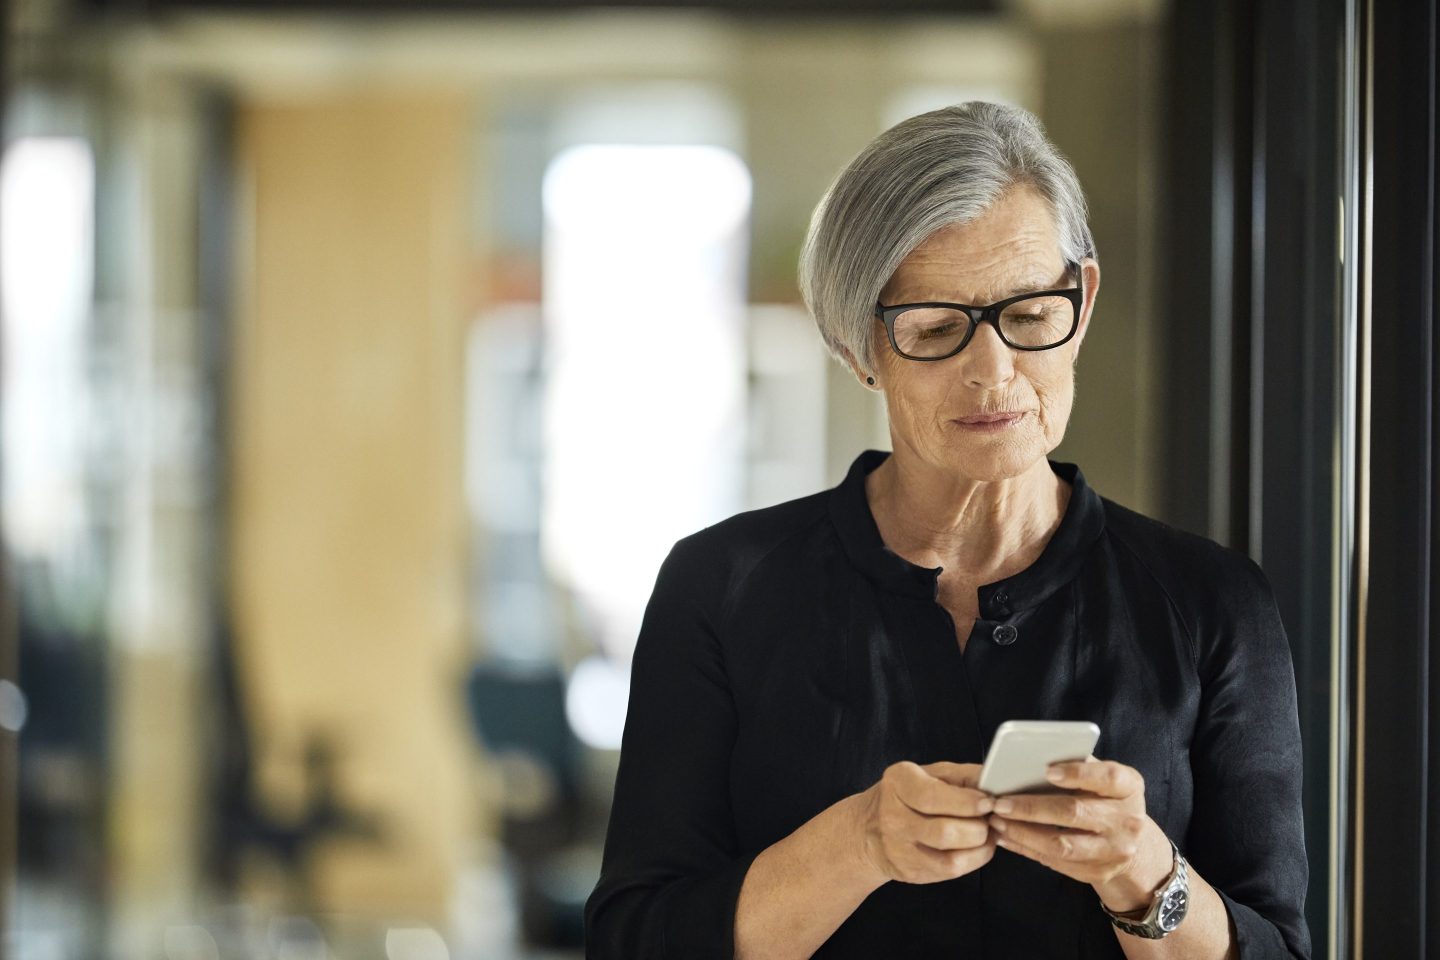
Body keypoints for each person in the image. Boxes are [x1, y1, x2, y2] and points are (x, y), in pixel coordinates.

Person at [583, 101, 1310, 959]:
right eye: (935, 330)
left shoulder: (1211, 604)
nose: (995, 375)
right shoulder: (723, 587)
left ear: (1084, 297)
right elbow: (634, 941)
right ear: (858, 346)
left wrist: (1145, 872)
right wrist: (855, 846)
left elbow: (1280, 948)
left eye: (1033, 316)